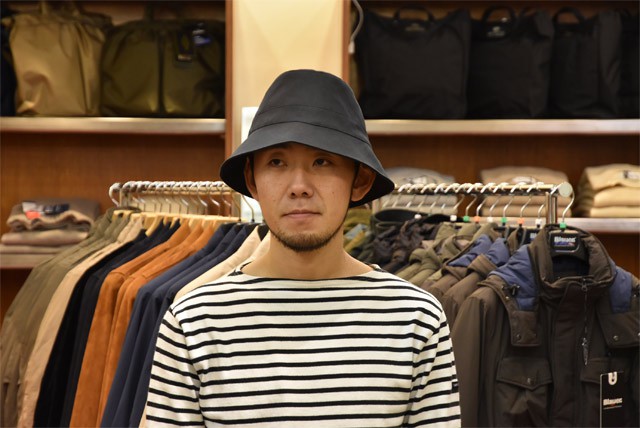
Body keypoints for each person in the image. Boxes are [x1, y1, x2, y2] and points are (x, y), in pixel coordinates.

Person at [145, 69, 461, 427]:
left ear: (359, 181)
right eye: (277, 162)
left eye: (322, 161)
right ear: (252, 180)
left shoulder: (416, 319)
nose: (299, 186)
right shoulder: (193, 323)